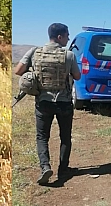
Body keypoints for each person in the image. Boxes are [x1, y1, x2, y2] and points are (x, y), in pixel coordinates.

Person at [14, 23, 81, 185]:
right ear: (60, 37)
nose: (68, 39)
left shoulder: (34, 52)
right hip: (64, 102)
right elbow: (77, 76)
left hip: (43, 102)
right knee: (65, 137)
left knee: (42, 136)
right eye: (67, 35)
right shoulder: (69, 55)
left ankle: (45, 167)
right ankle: (63, 169)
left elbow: (18, 71)